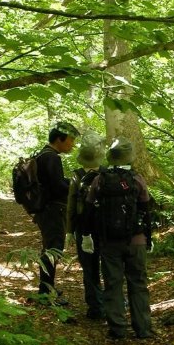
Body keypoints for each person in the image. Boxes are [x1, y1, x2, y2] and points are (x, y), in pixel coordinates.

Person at [81, 137, 154, 339]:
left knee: (113, 284)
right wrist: (149, 236)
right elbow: (146, 209)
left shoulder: (100, 179)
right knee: (138, 283)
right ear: (129, 158)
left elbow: (88, 209)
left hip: (109, 242)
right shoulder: (137, 179)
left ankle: (117, 329)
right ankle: (143, 328)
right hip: (136, 241)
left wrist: (86, 235)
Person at [33, 121, 80, 305]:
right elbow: (58, 186)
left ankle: (47, 288)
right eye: (70, 140)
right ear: (59, 139)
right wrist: (75, 185)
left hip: (46, 209)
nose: (72, 145)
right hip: (52, 210)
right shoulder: (51, 157)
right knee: (53, 250)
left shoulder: (44, 154)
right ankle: (45, 295)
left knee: (50, 249)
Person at [65, 131, 106, 320]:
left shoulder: (77, 176)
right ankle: (114, 304)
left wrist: (69, 231)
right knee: (109, 267)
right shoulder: (108, 174)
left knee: (89, 269)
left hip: (83, 228)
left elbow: (71, 205)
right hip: (108, 228)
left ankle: (95, 307)